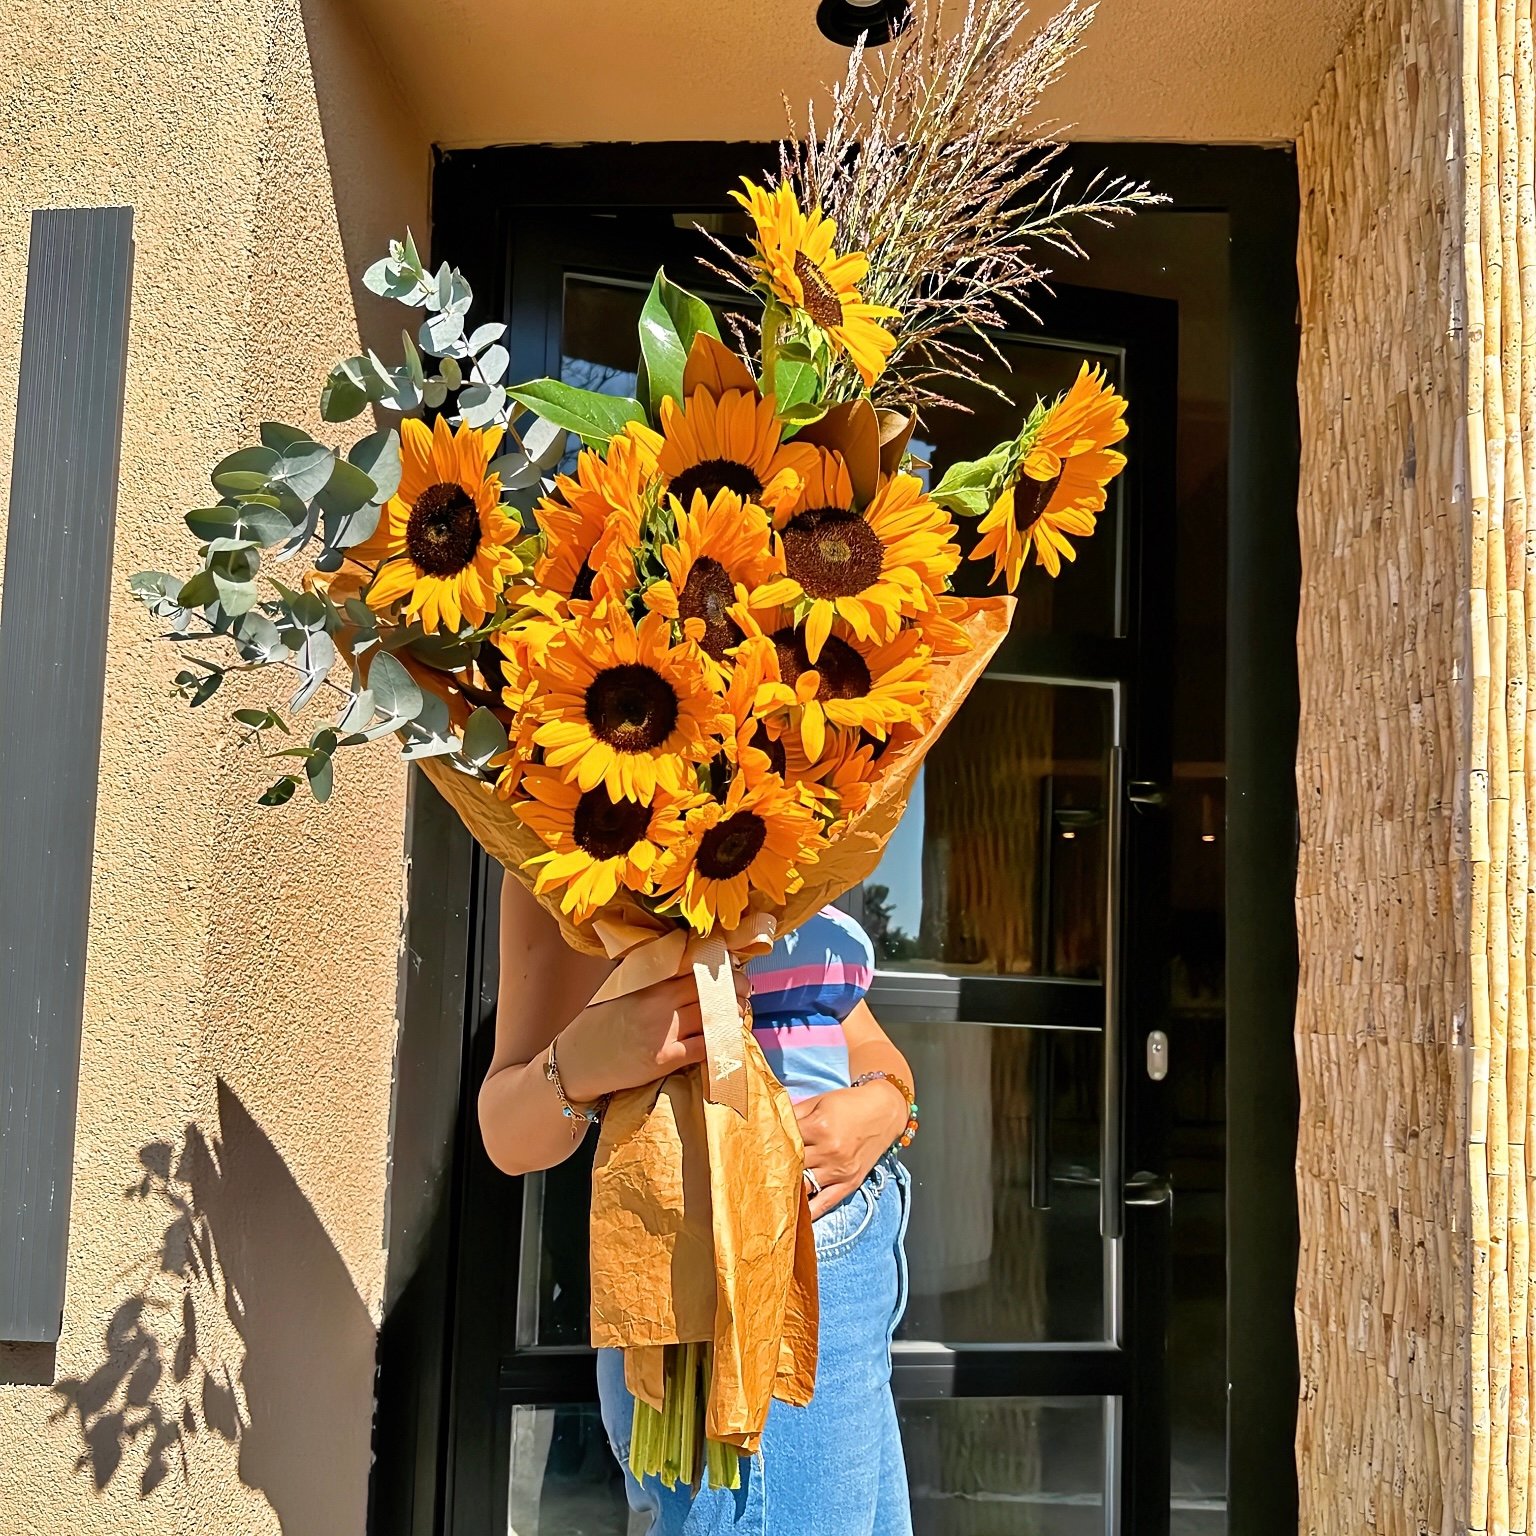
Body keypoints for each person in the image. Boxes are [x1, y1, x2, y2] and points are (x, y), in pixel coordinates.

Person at [481, 870, 917, 1533]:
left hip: (854, 1261)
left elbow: (858, 1033)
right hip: (730, 1280)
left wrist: (886, 1104)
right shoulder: (582, 847)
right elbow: (507, 1134)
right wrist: (589, 1058)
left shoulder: (786, 828)